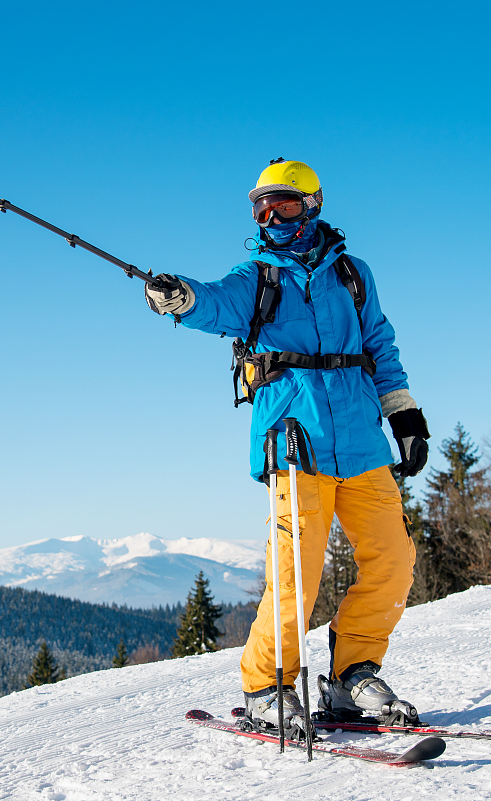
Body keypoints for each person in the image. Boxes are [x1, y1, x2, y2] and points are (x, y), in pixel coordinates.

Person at [144, 159, 431, 734]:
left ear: (313, 205)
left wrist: (403, 413)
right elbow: (214, 303)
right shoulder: (258, 279)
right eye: (261, 207)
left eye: (284, 204)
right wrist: (179, 299)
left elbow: (379, 342)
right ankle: (266, 686)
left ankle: (353, 676)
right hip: (294, 443)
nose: (271, 216)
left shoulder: (353, 273)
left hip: (361, 441)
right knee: (295, 574)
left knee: (395, 562)